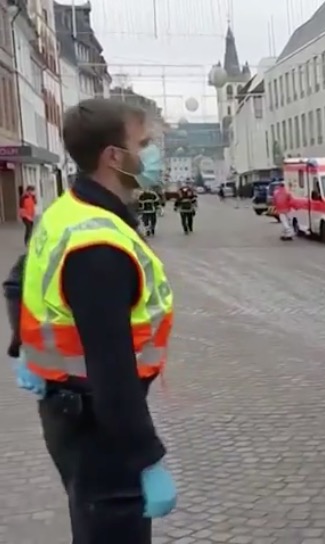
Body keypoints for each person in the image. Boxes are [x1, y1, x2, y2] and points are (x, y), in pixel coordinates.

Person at [7, 98, 177, 543]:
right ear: (114, 156)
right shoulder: (98, 245)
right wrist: (146, 458)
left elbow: (17, 281)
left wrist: (24, 346)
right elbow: (111, 370)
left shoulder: (68, 210)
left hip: (69, 409)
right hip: (99, 428)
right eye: (144, 143)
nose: (153, 153)